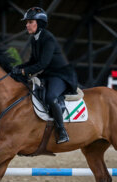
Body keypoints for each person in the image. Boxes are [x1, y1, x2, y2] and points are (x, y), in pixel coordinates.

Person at [11, 7, 78, 144]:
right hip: (48, 75)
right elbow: (32, 61)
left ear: (39, 23)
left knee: (51, 97)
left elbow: (42, 64)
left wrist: (24, 72)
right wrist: (17, 68)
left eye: (30, 22)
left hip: (61, 75)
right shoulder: (35, 39)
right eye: (27, 22)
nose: (27, 25)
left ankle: (62, 131)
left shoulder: (48, 39)